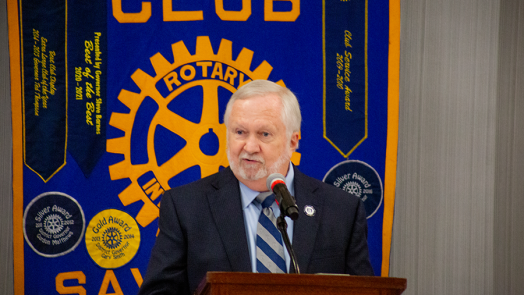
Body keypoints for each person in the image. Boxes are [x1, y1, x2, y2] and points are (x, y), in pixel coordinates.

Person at [138, 80, 374, 295]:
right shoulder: (185, 208)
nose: (250, 146)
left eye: (264, 134)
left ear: (293, 140)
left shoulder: (341, 210)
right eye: (240, 132)